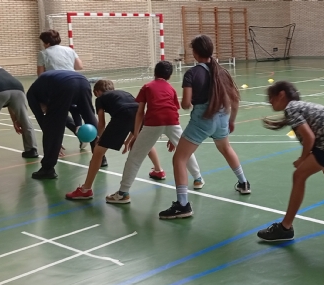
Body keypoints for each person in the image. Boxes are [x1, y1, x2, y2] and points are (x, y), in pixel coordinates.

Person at [157, 34, 251, 219]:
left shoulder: (191, 74)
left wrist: (179, 100)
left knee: (179, 159)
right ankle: (244, 183)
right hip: (223, 116)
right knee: (226, 148)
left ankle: (182, 205)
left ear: (195, 52)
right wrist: (231, 120)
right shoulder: (222, 71)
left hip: (203, 119)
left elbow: (186, 104)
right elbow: (235, 100)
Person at [256, 81, 324, 241]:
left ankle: (285, 227)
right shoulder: (298, 107)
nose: (269, 102)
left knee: (299, 176)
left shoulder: (292, 108)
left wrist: (302, 159)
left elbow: (309, 137)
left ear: (281, 95)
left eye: (271, 98)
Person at [104, 61, 205, 207]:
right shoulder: (171, 89)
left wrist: (136, 135)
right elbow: (173, 111)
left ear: (155, 73)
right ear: (169, 76)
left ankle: (123, 193)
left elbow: (140, 113)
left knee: (135, 157)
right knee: (185, 152)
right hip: (173, 122)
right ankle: (198, 179)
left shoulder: (147, 86)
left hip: (153, 123)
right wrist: (173, 137)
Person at [65, 79, 165, 200]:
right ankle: (159, 170)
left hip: (122, 115)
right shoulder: (125, 93)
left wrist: (99, 138)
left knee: (98, 152)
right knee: (144, 143)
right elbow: (135, 114)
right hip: (139, 113)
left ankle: (86, 189)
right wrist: (128, 140)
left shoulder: (100, 99)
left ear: (97, 92)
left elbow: (101, 122)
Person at [27, 70, 98, 179]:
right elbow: (75, 108)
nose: (45, 111)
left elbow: (43, 120)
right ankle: (100, 158)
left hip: (64, 85)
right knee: (90, 117)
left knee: (54, 125)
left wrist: (53, 142)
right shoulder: (46, 89)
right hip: (83, 81)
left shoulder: (31, 95)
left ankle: (47, 169)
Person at [37, 29, 92, 151]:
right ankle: (82, 132)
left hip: (58, 85)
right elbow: (79, 66)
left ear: (46, 43)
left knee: (58, 113)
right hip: (77, 81)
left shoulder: (43, 53)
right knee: (75, 107)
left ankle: (56, 145)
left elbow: (41, 75)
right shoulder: (69, 50)